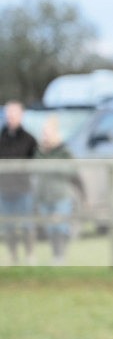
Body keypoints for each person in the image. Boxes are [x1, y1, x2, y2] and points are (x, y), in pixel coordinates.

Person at [34, 116, 82, 265]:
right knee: (50, 228)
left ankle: (61, 256)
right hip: (44, 196)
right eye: (44, 132)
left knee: (60, 227)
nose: (45, 136)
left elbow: (72, 170)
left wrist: (54, 166)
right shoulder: (40, 152)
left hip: (60, 195)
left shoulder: (63, 150)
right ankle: (56, 256)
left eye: (48, 132)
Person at [0, 100, 38, 265]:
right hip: (5, 189)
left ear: (21, 115)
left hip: (23, 188)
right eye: (8, 114)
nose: (11, 117)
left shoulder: (29, 139)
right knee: (8, 226)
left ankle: (30, 255)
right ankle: (12, 255)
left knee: (26, 224)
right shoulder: (2, 138)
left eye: (14, 113)